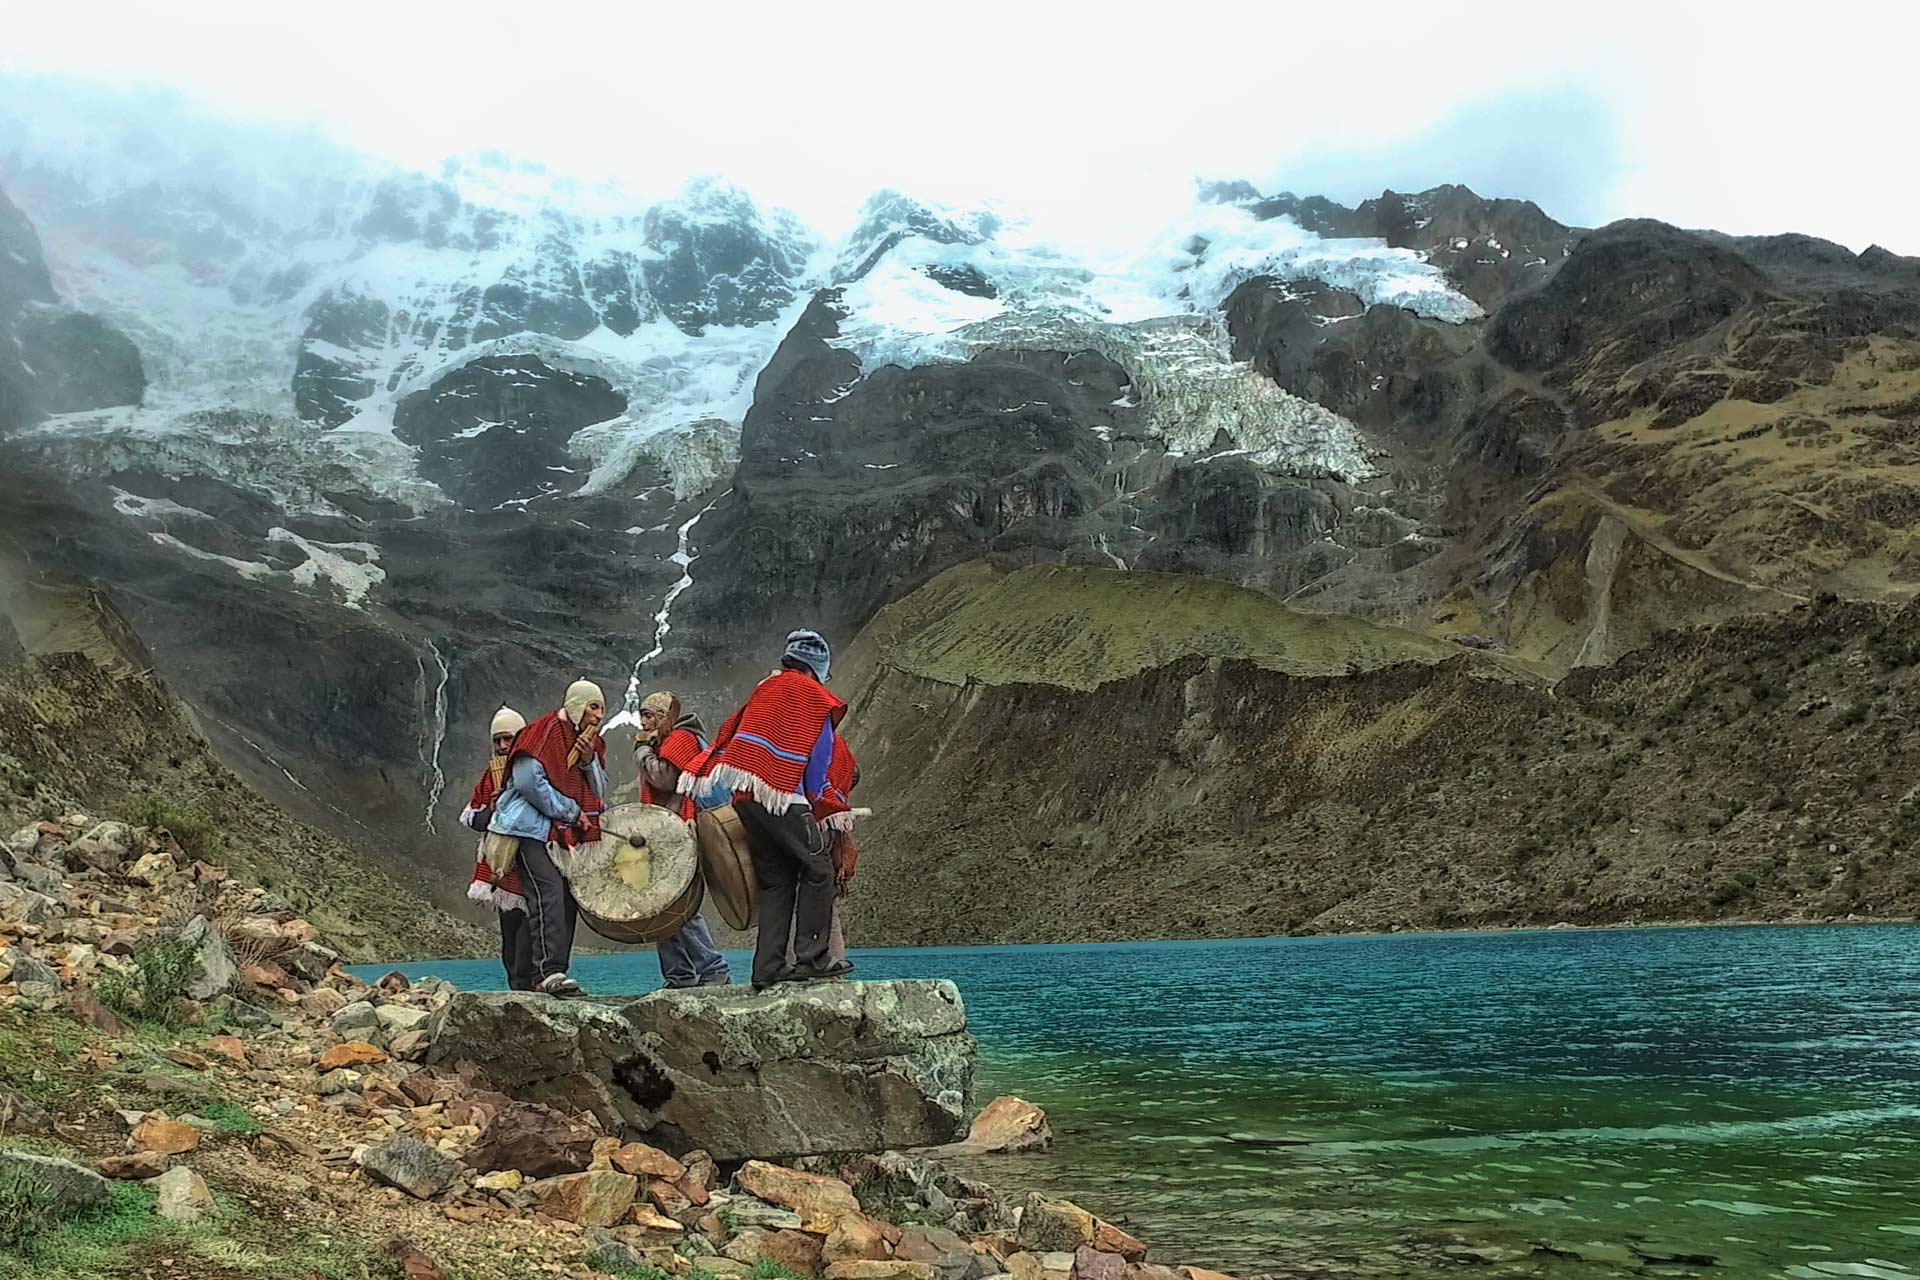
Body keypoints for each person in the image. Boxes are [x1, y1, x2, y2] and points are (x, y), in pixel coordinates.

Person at [684, 630, 850, 991]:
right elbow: (817, 764)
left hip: (745, 796)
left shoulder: (764, 690)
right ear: (817, 669)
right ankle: (813, 957)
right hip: (783, 797)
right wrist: (823, 801)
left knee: (778, 880)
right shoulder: (815, 697)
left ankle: (768, 967)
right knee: (818, 869)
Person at [487, 678, 608, 998]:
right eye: (593, 707)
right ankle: (546, 972)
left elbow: (597, 789)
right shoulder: (544, 732)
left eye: (602, 709)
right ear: (578, 705)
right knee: (548, 893)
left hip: (555, 833)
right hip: (525, 828)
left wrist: (587, 761)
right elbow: (528, 781)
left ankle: (555, 969)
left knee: (564, 899)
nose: (598, 716)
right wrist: (569, 811)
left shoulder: (584, 741)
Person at [634, 690, 732, 989]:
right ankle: (679, 973)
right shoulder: (667, 741)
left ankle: (713, 967)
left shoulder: (680, 739)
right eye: (642, 715)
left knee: (678, 903)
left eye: (649, 715)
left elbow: (664, 777)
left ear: (665, 717)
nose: (644, 721)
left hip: (679, 830)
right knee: (663, 903)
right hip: (666, 830)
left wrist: (641, 751)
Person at [463, 705, 534, 991]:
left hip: (533, 864)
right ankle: (517, 990)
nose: (503, 746)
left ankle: (529, 987)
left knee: (529, 940)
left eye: (509, 739)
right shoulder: (489, 776)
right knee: (511, 938)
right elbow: (471, 816)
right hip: (503, 870)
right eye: (498, 740)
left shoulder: (535, 771)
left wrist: (511, 802)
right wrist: (495, 810)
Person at [788, 733, 859, 971]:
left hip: (802, 823)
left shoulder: (803, 735)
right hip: (828, 823)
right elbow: (852, 773)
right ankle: (829, 963)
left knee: (798, 895)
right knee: (825, 900)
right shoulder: (833, 741)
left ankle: (800, 965)